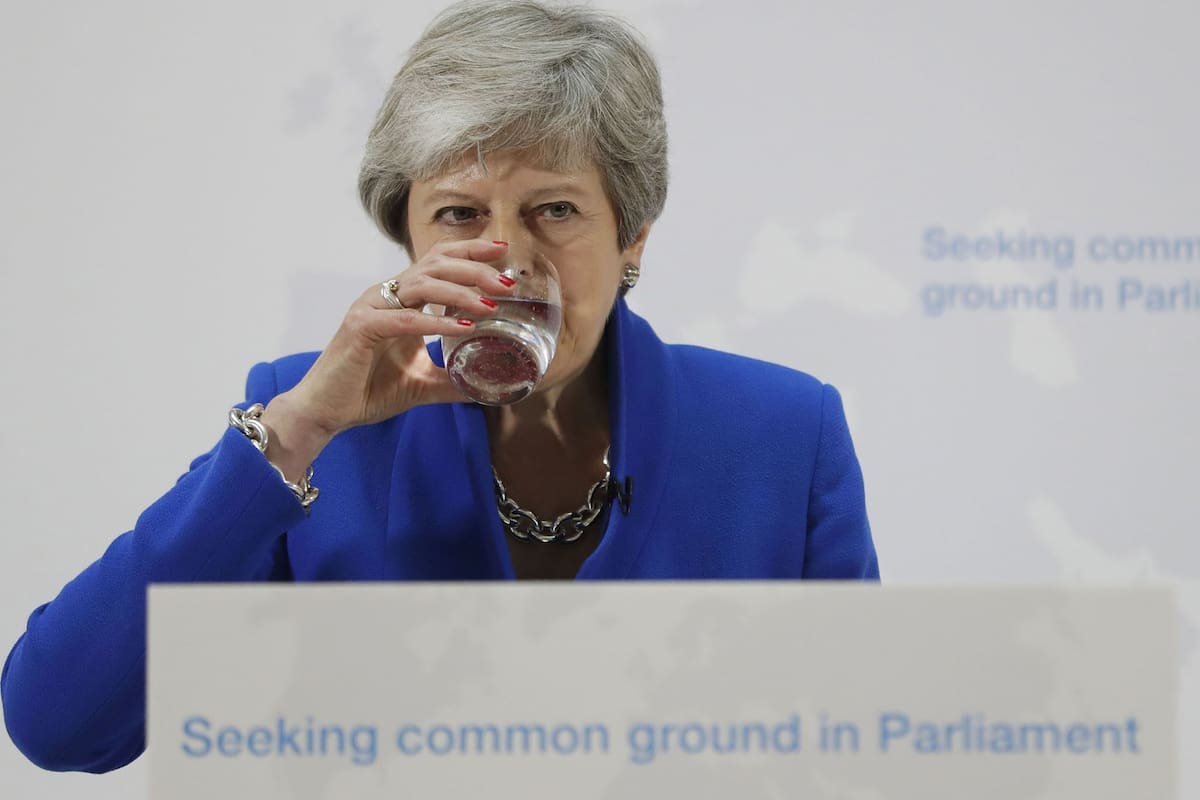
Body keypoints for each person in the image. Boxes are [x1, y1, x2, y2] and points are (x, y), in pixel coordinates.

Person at [1, 0, 878, 774]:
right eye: (461, 215)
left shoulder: (783, 433)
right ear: (410, 237)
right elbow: (60, 724)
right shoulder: (307, 417)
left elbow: (863, 753)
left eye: (555, 210)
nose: (509, 263)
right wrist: (299, 430)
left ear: (634, 236)